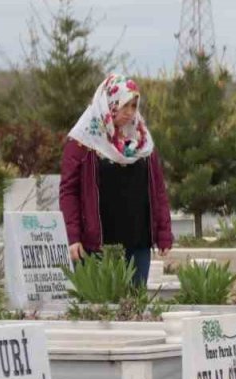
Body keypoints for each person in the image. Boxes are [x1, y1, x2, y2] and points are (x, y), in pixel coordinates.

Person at [59, 74, 173, 288]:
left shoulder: (143, 142)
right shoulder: (83, 141)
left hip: (137, 240)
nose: (130, 113)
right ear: (109, 103)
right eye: (124, 106)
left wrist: (163, 232)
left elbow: (157, 189)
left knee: (134, 307)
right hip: (95, 244)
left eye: (134, 106)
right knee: (95, 307)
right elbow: (69, 192)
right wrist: (72, 236)